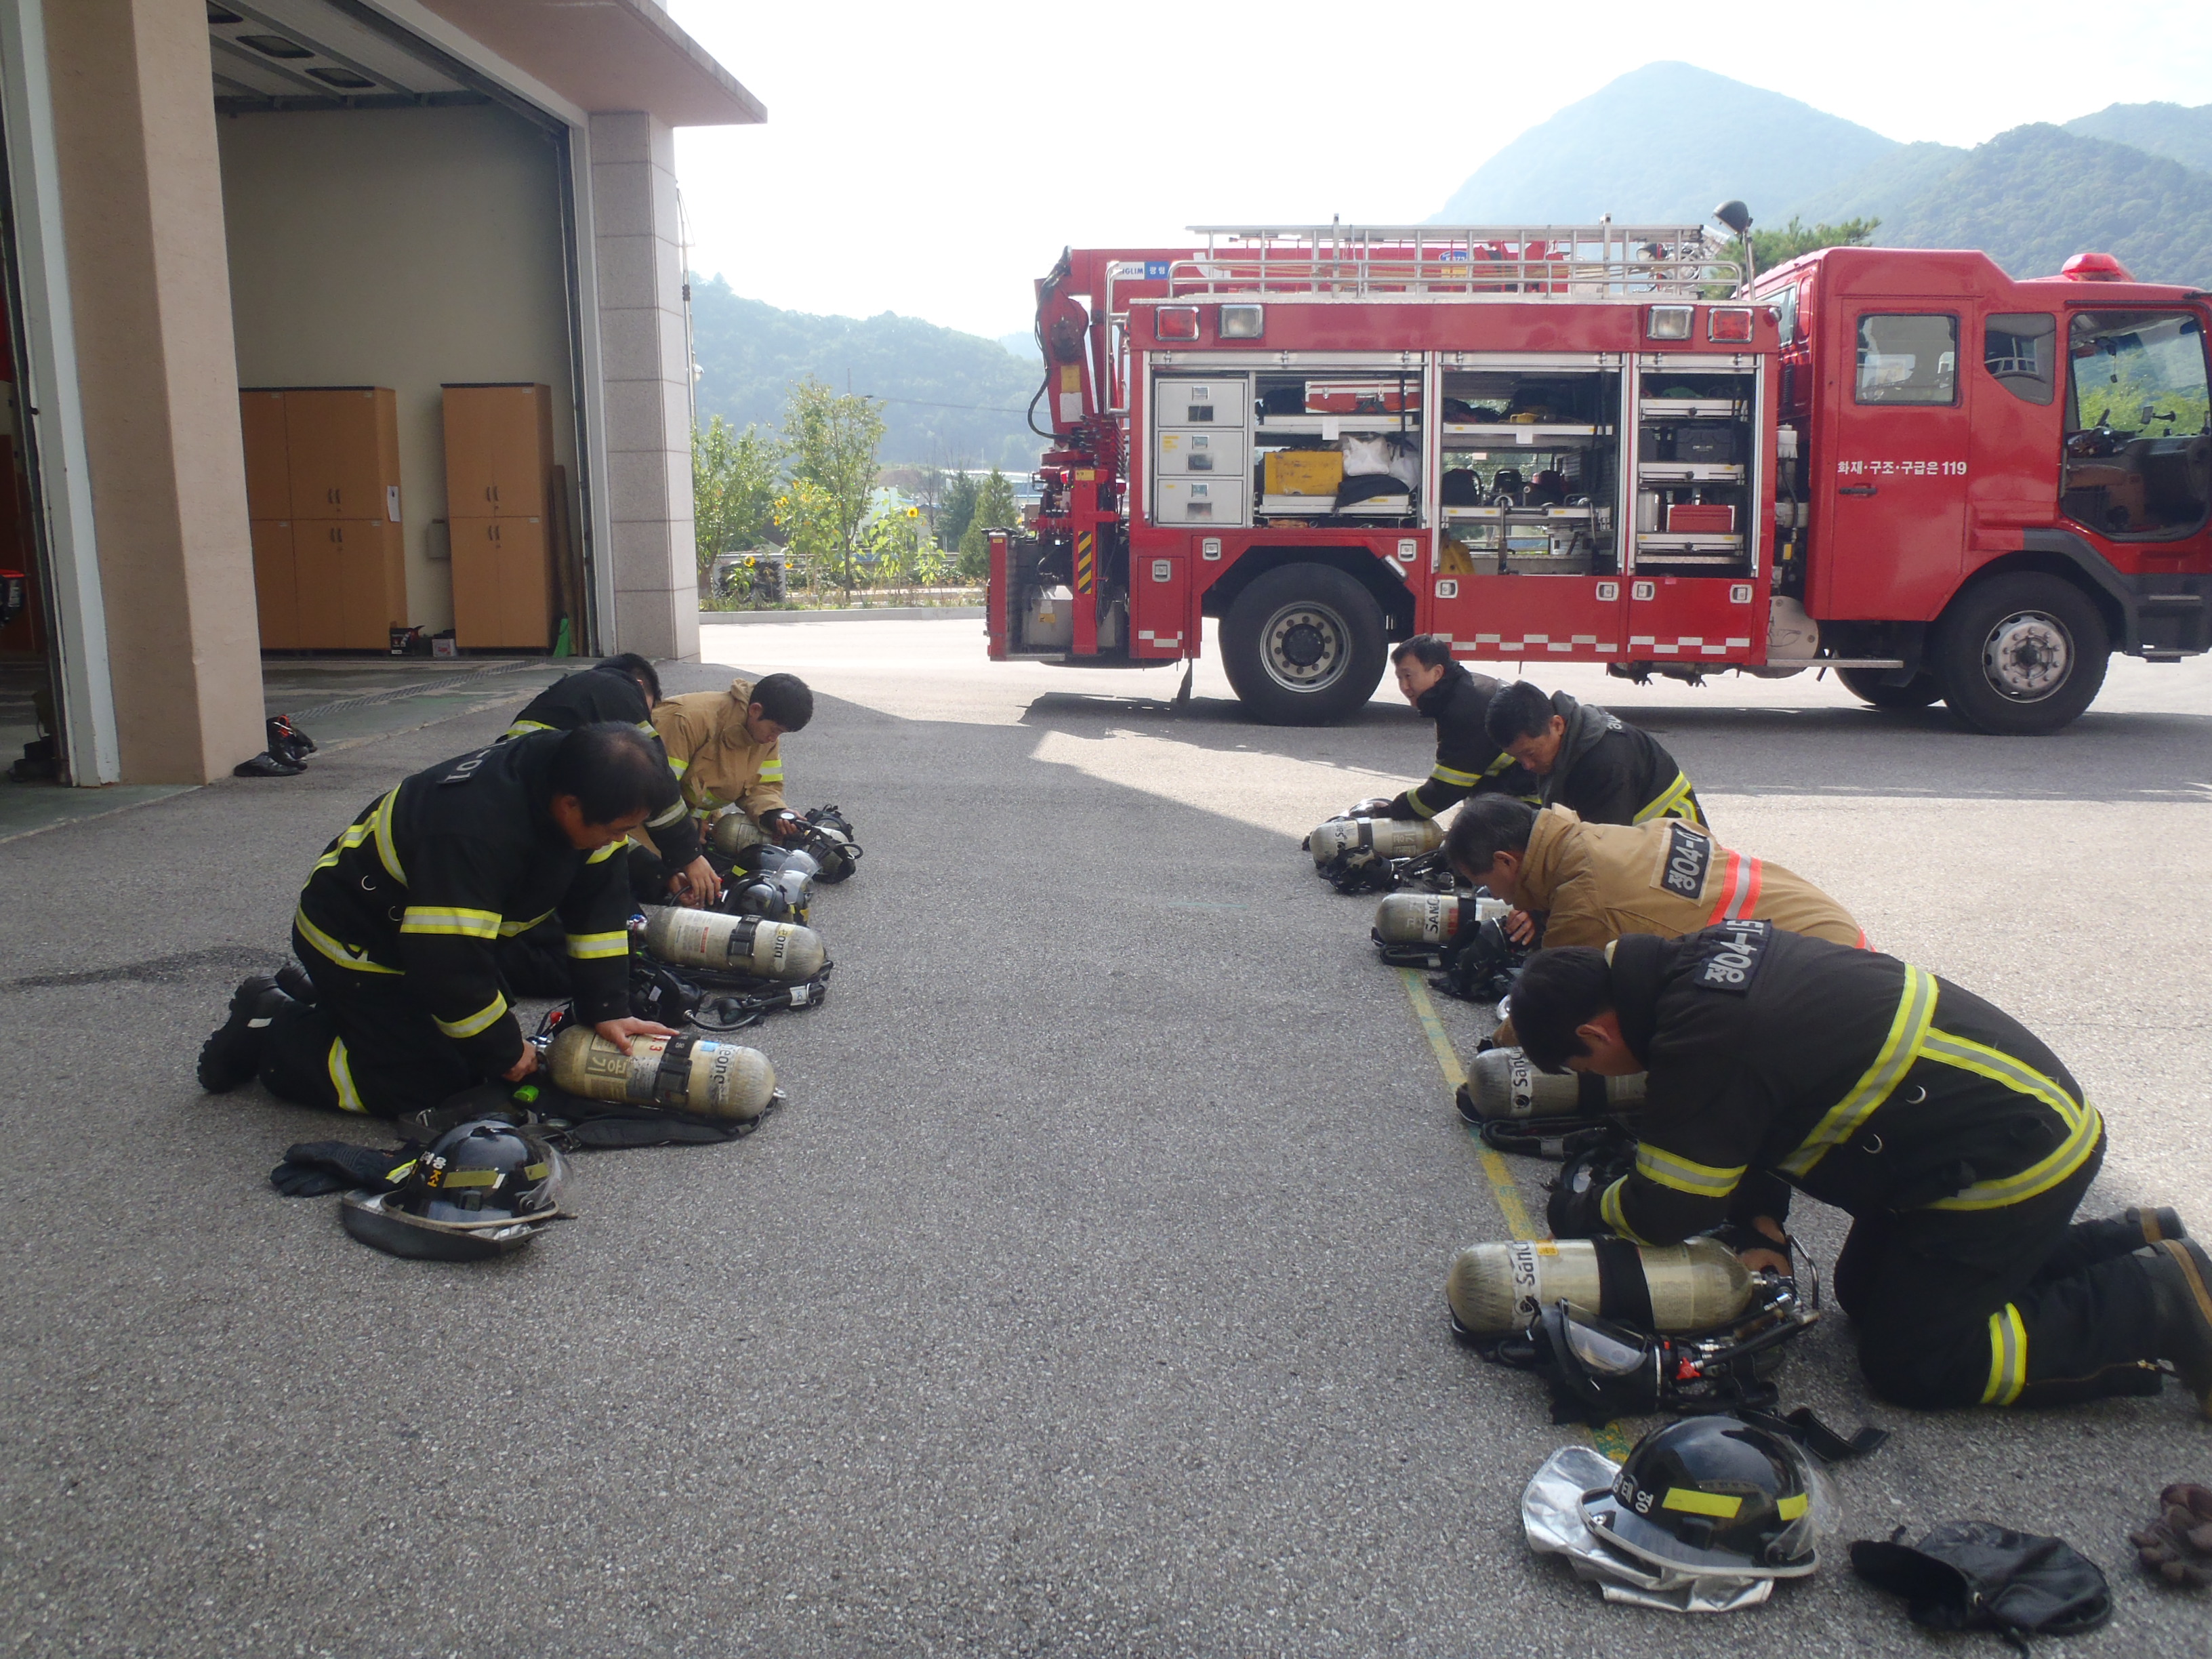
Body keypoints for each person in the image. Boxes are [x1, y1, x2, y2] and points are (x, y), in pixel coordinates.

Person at [1507, 924, 2212, 1416]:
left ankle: (2158, 1298)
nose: (1599, 1077)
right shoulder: (1692, 967)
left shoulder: (1700, 1039)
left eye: (1582, 1066)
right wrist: (1760, 1226)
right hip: (1969, 1135)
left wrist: (1586, 1209)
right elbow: (1747, 1115)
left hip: (2006, 1163)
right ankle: (2124, 1241)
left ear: (1594, 1033)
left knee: (1915, 1364)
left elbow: (1668, 1208)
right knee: (1864, 1296)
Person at [196, 724, 678, 1118]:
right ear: (569, 805)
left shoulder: (576, 778)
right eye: (617, 830)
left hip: (428, 937)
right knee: (429, 1085)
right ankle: (273, 1029)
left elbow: (599, 912)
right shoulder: (475, 829)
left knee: (474, 1052)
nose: (621, 841)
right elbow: (448, 966)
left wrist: (606, 1006)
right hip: (357, 942)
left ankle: (336, 1009)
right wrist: (505, 1050)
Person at [1445, 795, 1862, 951]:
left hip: (1823, 975)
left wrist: (1495, 1052)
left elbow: (1550, 1004)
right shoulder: (1604, 838)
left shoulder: (1586, 904)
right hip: (1833, 930)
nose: (1495, 897)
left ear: (1506, 861)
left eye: (1486, 884)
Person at [499, 652, 716, 907]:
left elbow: (605, 839)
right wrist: (690, 856)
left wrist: (661, 875)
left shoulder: (563, 702)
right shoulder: (617, 689)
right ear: (639, 685)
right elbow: (653, 775)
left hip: (517, 816)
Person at [1483, 680, 1704, 829]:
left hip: (1675, 858)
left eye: (1530, 754)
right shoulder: (1569, 736)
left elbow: (1602, 857)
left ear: (1557, 725)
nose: (1527, 766)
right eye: (1517, 758)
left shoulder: (1606, 764)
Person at [1377, 636, 1536, 822]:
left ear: (1437, 673)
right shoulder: (1463, 690)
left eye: (1408, 676)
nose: (1404, 687)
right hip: (1518, 786)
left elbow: (1446, 789)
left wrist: (1394, 811)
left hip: (1531, 800)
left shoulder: (1464, 709)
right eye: (1399, 678)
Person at [653, 672, 815, 851]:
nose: (773, 739)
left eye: (781, 733)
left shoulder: (762, 733)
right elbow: (653, 793)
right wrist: (687, 827)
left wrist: (774, 814)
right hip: (648, 823)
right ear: (755, 710)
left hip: (698, 822)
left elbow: (762, 787)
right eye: (775, 730)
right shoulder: (685, 721)